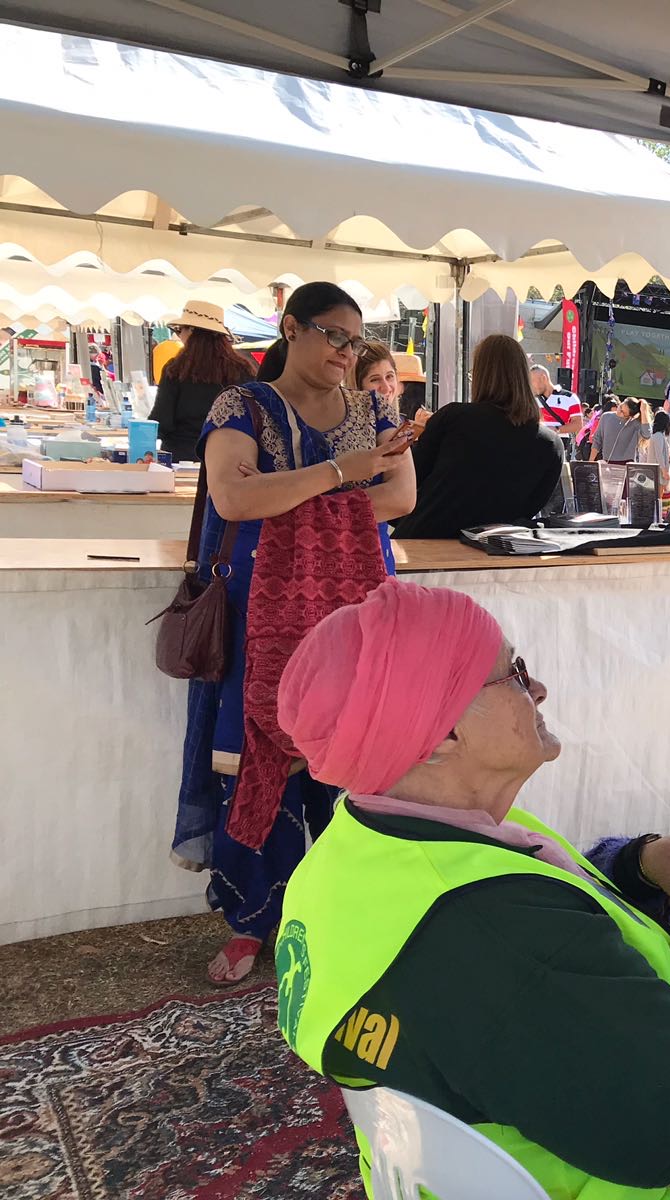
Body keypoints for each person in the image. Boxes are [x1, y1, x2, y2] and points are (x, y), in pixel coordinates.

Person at [272, 580, 670, 1199]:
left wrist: (643, 862)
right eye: (514, 674)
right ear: (441, 735)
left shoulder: (360, 846)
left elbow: (544, 892)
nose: (539, 687)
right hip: (642, 1177)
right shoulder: (503, 940)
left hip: (469, 1151)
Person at [171, 281, 416, 986]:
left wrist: (291, 492)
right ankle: (254, 922)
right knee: (256, 758)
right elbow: (233, 497)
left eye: (355, 341)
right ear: (291, 328)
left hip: (355, 616)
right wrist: (343, 476)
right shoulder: (241, 406)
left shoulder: (373, 411)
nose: (345, 351)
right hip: (257, 616)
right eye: (333, 334)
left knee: (350, 763)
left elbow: (400, 496)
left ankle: (340, 914)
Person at [391, 335, 564, 540]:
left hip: (423, 541)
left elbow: (409, 479)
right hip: (494, 551)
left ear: (481, 375)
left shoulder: (454, 418)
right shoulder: (551, 444)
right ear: (524, 377)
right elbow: (530, 508)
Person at [150, 300, 257, 462]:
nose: (179, 335)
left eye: (180, 330)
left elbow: (162, 421)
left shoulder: (176, 369)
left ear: (191, 331)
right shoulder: (243, 369)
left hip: (182, 456)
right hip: (229, 457)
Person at [530, 363, 583, 437]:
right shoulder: (532, 399)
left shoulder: (569, 397)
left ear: (543, 378)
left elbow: (578, 424)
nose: (531, 385)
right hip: (538, 440)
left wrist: (556, 429)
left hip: (561, 440)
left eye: (532, 381)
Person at [594, 397, 647, 464]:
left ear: (629, 416)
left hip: (627, 464)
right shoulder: (606, 417)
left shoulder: (635, 423)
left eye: (623, 412)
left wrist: (644, 412)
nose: (619, 410)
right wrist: (590, 462)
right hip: (607, 461)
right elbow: (597, 440)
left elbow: (647, 434)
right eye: (621, 406)